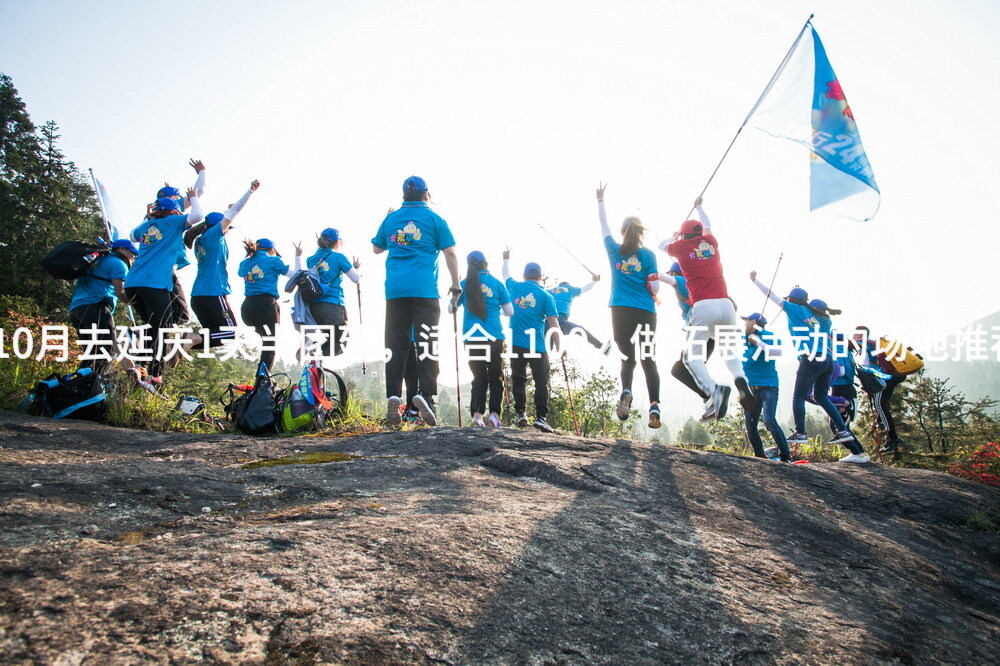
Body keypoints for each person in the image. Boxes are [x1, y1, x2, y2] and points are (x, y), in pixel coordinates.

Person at [750, 273, 870, 463]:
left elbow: (771, 295)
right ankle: (843, 431)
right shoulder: (824, 319)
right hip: (827, 361)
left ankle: (800, 433)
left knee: (798, 396)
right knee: (820, 396)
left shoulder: (794, 309)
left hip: (810, 358)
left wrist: (754, 280)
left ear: (792, 300)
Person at [372, 176, 460, 427]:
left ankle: (392, 395)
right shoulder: (435, 219)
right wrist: (456, 284)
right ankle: (426, 395)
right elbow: (451, 252)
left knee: (396, 344)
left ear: (403, 195)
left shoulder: (391, 219)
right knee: (427, 341)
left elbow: (377, 249)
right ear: (426, 195)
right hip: (425, 291)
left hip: (396, 291)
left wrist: (387, 220)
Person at [663, 197, 752, 422]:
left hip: (703, 307)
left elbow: (660, 245)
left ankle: (714, 392)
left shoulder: (680, 248)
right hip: (726, 305)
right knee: (729, 353)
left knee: (691, 359)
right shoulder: (711, 242)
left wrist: (675, 236)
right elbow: (708, 224)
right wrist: (701, 207)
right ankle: (741, 381)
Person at [596, 183, 662, 429]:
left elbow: (604, 227)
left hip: (620, 311)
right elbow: (655, 289)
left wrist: (600, 200)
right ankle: (654, 405)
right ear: (640, 232)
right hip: (645, 311)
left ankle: (626, 390)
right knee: (648, 360)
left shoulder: (614, 249)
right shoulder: (649, 256)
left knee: (628, 359)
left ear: (623, 232)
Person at [123, 188, 204, 381]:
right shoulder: (173, 222)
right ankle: (155, 374)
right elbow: (198, 215)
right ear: (175, 211)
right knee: (163, 327)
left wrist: (149, 216)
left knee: (153, 326)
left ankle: (141, 366)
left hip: (133, 283)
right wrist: (193, 197)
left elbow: (131, 236)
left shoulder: (147, 225)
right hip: (154, 283)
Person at [184, 180, 260, 349]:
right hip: (212, 292)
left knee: (216, 336)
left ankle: (180, 344)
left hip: (198, 296)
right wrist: (250, 192)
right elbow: (234, 212)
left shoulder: (201, 240)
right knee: (230, 332)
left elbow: (229, 211)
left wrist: (228, 208)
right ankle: (191, 338)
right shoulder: (214, 235)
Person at [449, 251, 513, 427]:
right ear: (486, 264)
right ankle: (494, 415)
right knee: (495, 377)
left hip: (471, 338)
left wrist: (455, 296)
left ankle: (477, 415)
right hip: (494, 337)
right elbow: (510, 312)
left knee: (478, 378)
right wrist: (493, 310)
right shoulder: (498, 284)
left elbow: (450, 308)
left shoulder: (464, 284)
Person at [502, 252, 560, 432]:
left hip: (516, 344)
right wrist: (560, 346)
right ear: (540, 277)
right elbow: (554, 322)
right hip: (537, 346)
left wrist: (506, 258)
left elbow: (505, 274)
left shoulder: (514, 287)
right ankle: (541, 418)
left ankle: (522, 414)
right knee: (541, 381)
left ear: (524, 275)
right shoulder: (546, 296)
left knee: (519, 380)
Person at [69, 239, 138, 375]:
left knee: (92, 352)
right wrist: (134, 303)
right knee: (107, 350)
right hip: (96, 307)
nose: (134, 256)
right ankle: (95, 384)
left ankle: (78, 385)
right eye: (132, 253)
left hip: (76, 309)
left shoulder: (96, 260)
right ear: (122, 249)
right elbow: (120, 292)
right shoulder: (118, 263)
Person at [238, 238, 302, 370]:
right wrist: (298, 257)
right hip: (266, 306)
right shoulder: (274, 261)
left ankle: (261, 374)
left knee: (266, 341)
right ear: (272, 250)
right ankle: (262, 380)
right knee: (270, 344)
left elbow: (240, 273)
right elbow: (295, 275)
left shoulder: (244, 263)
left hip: (247, 309)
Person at [659, 260, 716, 402]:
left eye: (672, 273)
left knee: (678, 370)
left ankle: (713, 394)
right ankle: (710, 397)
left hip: (700, 333)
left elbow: (669, 280)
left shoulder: (682, 281)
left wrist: (648, 271)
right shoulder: (693, 285)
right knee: (692, 371)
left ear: (675, 273)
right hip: (709, 337)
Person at [740, 313, 791, 463]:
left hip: (768, 387)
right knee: (750, 424)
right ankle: (759, 456)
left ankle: (785, 456)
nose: (744, 325)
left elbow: (777, 352)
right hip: (750, 389)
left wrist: (758, 342)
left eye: (746, 321)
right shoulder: (745, 338)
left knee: (769, 420)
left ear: (754, 321)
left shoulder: (768, 336)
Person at [853, 326, 910, 453]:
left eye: (855, 334)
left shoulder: (861, 345)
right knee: (882, 401)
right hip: (897, 373)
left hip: (886, 376)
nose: (852, 336)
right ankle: (880, 421)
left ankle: (893, 438)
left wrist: (867, 383)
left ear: (859, 335)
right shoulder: (873, 343)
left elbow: (866, 366)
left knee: (879, 403)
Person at [307, 228, 361, 359]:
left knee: (328, 341)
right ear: (337, 242)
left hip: (315, 307)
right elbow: (356, 279)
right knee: (341, 343)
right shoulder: (339, 257)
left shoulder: (310, 260)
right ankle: (312, 352)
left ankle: (314, 359)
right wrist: (356, 268)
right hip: (333, 306)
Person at [547, 275, 608, 351]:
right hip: (561, 320)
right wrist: (594, 281)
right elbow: (585, 288)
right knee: (580, 330)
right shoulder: (570, 289)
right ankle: (601, 346)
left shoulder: (549, 291)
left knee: (546, 347)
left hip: (547, 321)